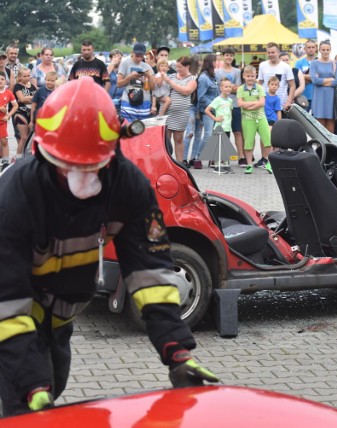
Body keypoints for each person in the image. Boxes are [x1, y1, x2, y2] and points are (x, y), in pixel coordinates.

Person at [0, 77, 219, 417]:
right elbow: (7, 299)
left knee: (52, 384)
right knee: (25, 400)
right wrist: (30, 383)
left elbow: (150, 271)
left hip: (61, 318)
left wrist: (177, 348)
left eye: (92, 166)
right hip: (13, 319)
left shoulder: (127, 186)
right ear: (42, 151)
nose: (81, 179)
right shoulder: (16, 196)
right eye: (68, 167)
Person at [257, 43, 294, 169]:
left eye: (273, 52)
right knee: (264, 133)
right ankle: (264, 158)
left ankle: (277, 158)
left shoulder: (285, 67)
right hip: (264, 105)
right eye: (269, 52)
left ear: (278, 52)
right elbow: (259, 83)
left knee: (278, 134)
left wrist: (289, 101)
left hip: (280, 105)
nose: (271, 54)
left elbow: (292, 85)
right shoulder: (263, 65)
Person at [237, 65, 272, 174]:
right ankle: (249, 165)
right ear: (244, 76)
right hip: (247, 120)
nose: (250, 78)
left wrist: (248, 106)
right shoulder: (240, 89)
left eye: (252, 76)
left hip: (261, 118)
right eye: (248, 76)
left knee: (267, 140)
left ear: (255, 76)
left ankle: (268, 162)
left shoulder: (260, 88)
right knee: (248, 143)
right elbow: (240, 104)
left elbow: (262, 103)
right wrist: (254, 103)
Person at [186, 54, 220, 168]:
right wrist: (213, 105)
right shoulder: (204, 78)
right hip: (207, 111)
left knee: (210, 135)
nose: (217, 63)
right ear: (211, 62)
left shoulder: (212, 76)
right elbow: (201, 97)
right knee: (207, 135)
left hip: (215, 110)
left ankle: (198, 158)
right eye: (216, 61)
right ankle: (196, 157)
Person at [164, 56, 197, 165]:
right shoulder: (172, 76)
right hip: (168, 112)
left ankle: (180, 163)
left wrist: (171, 83)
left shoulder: (192, 79)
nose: (178, 69)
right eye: (177, 67)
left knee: (178, 139)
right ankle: (167, 162)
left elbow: (186, 91)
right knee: (166, 140)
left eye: (180, 67)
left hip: (181, 113)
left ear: (187, 66)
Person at [215, 47, 245, 166]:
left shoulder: (237, 72)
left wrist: (228, 88)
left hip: (236, 105)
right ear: (223, 56)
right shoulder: (218, 72)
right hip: (222, 106)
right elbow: (220, 89)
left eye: (231, 55)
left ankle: (241, 156)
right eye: (227, 55)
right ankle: (223, 157)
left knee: (237, 131)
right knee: (224, 131)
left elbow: (238, 88)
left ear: (233, 57)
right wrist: (230, 88)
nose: (229, 57)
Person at [117, 43, 156, 121]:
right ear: (132, 53)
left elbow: (153, 87)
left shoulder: (147, 66)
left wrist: (149, 76)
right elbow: (118, 84)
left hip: (144, 103)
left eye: (141, 56)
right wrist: (129, 77)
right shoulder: (125, 64)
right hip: (129, 102)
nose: (139, 59)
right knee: (128, 129)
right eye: (137, 56)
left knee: (143, 131)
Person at [309, 40, 337, 133]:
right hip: (319, 97)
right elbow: (314, 80)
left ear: (330, 50)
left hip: (331, 98)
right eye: (323, 49)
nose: (325, 52)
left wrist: (322, 82)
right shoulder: (314, 63)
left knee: (330, 129)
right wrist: (330, 79)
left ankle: (330, 148)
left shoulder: (335, 64)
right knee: (320, 128)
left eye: (327, 49)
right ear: (319, 50)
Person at [204, 77, 234, 172]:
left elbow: (230, 111)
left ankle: (225, 164)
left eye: (230, 86)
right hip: (219, 127)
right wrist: (215, 118)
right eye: (226, 87)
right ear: (221, 88)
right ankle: (217, 166)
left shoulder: (230, 101)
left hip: (227, 128)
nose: (228, 88)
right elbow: (207, 110)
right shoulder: (217, 100)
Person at [13, 67, 36, 156]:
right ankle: (18, 158)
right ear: (19, 77)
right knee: (24, 137)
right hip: (21, 113)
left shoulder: (32, 86)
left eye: (28, 76)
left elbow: (37, 98)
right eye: (24, 76)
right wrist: (32, 98)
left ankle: (27, 157)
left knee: (31, 137)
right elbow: (22, 99)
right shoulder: (17, 86)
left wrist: (29, 98)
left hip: (31, 113)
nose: (27, 78)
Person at [295, 39, 317, 111]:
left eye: (313, 47)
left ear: (316, 48)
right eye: (309, 47)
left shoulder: (320, 61)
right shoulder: (299, 63)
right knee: (303, 121)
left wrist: (302, 75)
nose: (311, 49)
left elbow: (319, 78)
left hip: (317, 97)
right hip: (303, 97)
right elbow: (297, 79)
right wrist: (312, 77)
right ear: (304, 49)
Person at [0, 73, 18, 159]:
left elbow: (15, 106)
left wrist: (8, 115)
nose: (0, 81)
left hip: (2, 121)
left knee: (4, 141)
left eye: (2, 79)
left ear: (5, 81)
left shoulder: (9, 93)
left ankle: (5, 162)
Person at [107, 49, 124, 113]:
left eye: (119, 58)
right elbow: (105, 76)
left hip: (121, 101)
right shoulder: (107, 67)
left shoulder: (123, 69)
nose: (118, 60)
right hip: (109, 99)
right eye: (115, 57)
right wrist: (113, 63)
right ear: (111, 58)